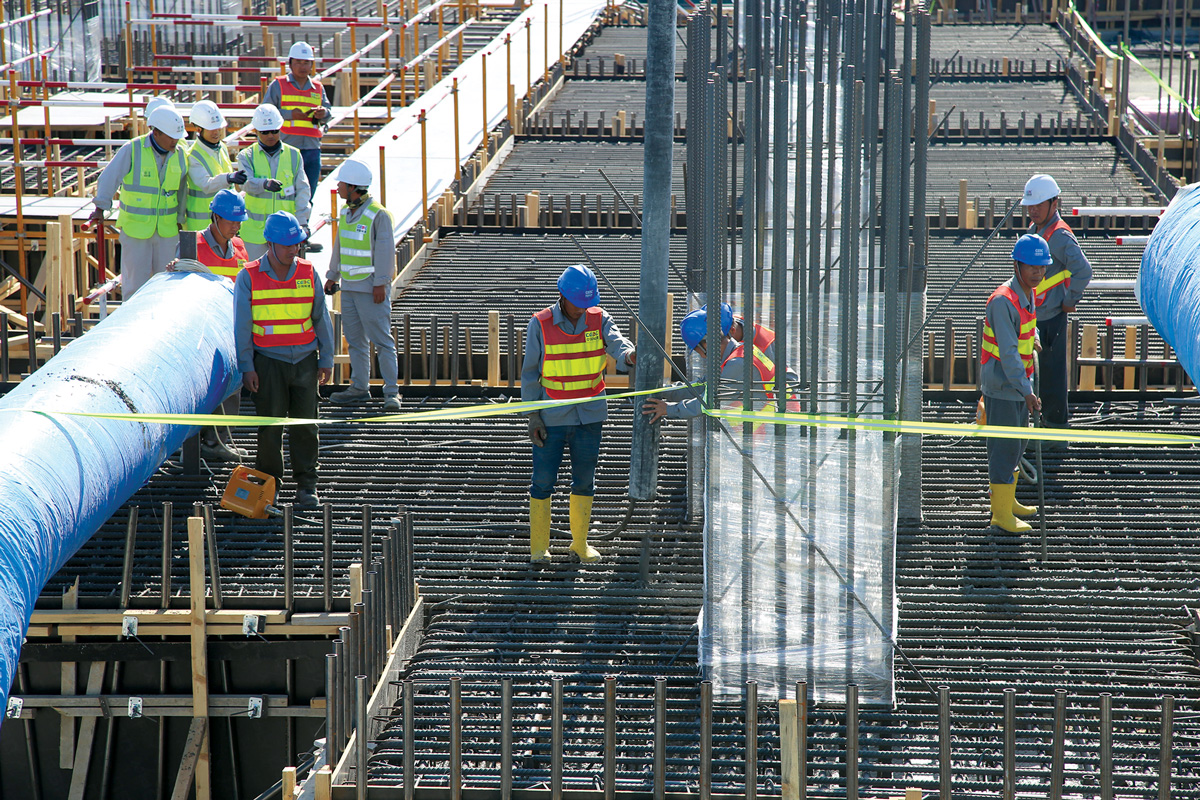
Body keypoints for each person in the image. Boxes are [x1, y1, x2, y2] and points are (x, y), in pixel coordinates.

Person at [522, 264, 635, 563]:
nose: (584, 309)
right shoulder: (541, 324)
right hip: (552, 417)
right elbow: (531, 373)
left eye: (589, 303)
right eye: (579, 303)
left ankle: (579, 544)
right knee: (543, 481)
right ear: (562, 296)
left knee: (585, 480)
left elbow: (618, 344)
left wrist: (629, 355)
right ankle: (539, 548)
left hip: (589, 416)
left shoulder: (599, 318)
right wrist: (533, 415)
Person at [233, 211, 334, 508]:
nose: (295, 249)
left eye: (297, 244)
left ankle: (306, 485)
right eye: (288, 244)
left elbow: (321, 318)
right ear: (270, 244)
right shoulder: (249, 276)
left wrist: (326, 358)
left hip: (304, 361)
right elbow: (241, 327)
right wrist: (247, 366)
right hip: (268, 364)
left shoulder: (308, 272)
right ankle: (269, 485)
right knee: (269, 427)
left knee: (305, 425)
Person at [179, 189, 254, 462]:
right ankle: (196, 442)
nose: (236, 226)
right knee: (201, 386)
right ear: (215, 217)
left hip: (230, 328)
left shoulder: (240, 247)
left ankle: (218, 440)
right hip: (200, 331)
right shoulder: (194, 245)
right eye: (232, 221)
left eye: (239, 221)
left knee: (232, 382)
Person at [980, 234, 1047, 534]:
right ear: (1017, 265)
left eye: (1041, 267)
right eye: (1031, 266)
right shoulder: (1002, 301)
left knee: (1018, 444)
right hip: (1004, 385)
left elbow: (1027, 326)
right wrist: (1028, 391)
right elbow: (1007, 354)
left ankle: (1010, 502)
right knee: (1005, 448)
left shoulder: (1028, 292)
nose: (1037, 272)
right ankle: (1000, 514)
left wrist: (1035, 338)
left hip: (1019, 385)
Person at [323, 159, 400, 412]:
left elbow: (386, 252)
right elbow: (340, 246)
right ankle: (359, 387)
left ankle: (391, 393)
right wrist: (333, 275)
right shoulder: (346, 213)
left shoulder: (378, 214)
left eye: (342, 184)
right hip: (350, 288)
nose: (338, 187)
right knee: (355, 341)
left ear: (354, 187)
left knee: (382, 341)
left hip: (371, 288)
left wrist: (381, 283)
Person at [89, 103, 188, 298]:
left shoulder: (180, 154)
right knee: (135, 286)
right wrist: (101, 207)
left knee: (166, 286)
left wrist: (180, 219)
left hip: (167, 231)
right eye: (171, 137)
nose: (175, 141)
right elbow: (110, 177)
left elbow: (182, 189)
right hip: (136, 231)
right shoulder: (133, 149)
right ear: (156, 132)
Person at [1021, 173, 1092, 440]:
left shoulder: (1060, 236)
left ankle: (1056, 431)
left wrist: (1069, 300)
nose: (1033, 210)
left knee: (1051, 376)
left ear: (1055, 203)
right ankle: (1041, 425)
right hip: (1034, 316)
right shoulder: (1034, 231)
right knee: (1035, 373)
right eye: (1031, 205)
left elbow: (1083, 271)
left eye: (1039, 204)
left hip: (1051, 318)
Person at [642, 304, 780, 423]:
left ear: (707, 344)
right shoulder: (738, 353)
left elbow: (709, 401)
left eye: (698, 351)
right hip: (763, 427)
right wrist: (664, 390)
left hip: (767, 428)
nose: (701, 356)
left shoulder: (737, 363)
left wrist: (669, 409)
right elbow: (702, 386)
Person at [264, 41, 330, 220]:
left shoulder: (318, 87)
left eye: (306, 62)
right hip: (285, 147)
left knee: (308, 192)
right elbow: (265, 112)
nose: (303, 66)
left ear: (312, 65)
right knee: (285, 191)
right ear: (290, 63)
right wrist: (289, 114)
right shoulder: (278, 85)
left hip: (311, 148)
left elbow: (328, 113)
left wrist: (323, 113)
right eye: (299, 62)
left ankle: (303, 230)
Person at [239, 104, 312, 262]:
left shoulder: (294, 155)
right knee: (255, 278)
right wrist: (264, 184)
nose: (270, 135)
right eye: (265, 132)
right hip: (255, 234)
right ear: (256, 131)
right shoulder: (247, 156)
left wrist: (302, 223)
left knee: (285, 280)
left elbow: (303, 191)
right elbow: (245, 183)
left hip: (285, 233)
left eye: (275, 131)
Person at [184, 100, 247, 232]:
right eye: (212, 129)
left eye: (218, 128)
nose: (216, 133)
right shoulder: (193, 156)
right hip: (201, 227)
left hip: (224, 223)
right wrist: (229, 178)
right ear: (198, 129)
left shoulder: (222, 148)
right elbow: (206, 185)